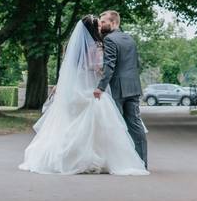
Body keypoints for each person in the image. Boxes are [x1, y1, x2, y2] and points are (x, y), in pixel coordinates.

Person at [19, 16, 149, 176]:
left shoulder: (75, 47)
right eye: (99, 23)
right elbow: (97, 67)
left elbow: (70, 69)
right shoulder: (98, 45)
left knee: (74, 123)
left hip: (77, 86)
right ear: (94, 29)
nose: (101, 26)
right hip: (91, 86)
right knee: (102, 121)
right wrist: (102, 76)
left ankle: (73, 156)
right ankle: (101, 158)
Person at [95, 10, 148, 168]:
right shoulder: (130, 39)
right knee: (135, 124)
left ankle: (119, 162)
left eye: (104, 21)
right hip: (133, 86)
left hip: (118, 87)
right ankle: (141, 163)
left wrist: (100, 87)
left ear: (114, 22)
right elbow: (136, 63)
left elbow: (109, 65)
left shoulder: (110, 39)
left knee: (116, 125)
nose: (101, 24)